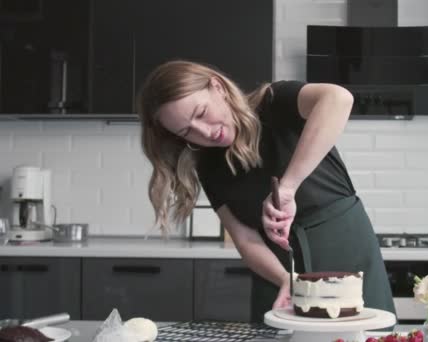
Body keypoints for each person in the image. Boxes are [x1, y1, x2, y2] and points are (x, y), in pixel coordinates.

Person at [137, 60, 396, 322]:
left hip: (345, 250)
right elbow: (245, 238)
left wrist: (288, 186)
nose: (204, 131)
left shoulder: (274, 101)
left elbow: (339, 99)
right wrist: (285, 279)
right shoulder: (207, 165)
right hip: (278, 273)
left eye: (201, 113)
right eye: (187, 131)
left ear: (218, 87)